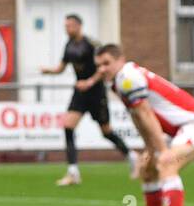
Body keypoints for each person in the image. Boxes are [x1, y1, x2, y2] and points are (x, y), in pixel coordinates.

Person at [94, 44, 194, 206]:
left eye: (106, 63)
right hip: (178, 129)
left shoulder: (128, 77)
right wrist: (149, 150)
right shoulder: (120, 81)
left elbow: (146, 114)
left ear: (120, 60)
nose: (102, 69)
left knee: (166, 165)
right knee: (148, 169)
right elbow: (139, 116)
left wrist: (162, 151)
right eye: (98, 65)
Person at [40, 14, 134, 185]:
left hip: (96, 92)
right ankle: (73, 172)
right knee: (68, 126)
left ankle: (133, 156)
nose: (66, 29)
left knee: (106, 132)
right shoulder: (68, 46)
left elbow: (103, 67)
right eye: (65, 26)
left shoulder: (91, 44)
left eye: (69, 26)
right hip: (80, 92)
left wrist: (90, 82)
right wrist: (49, 71)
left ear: (78, 26)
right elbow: (61, 68)